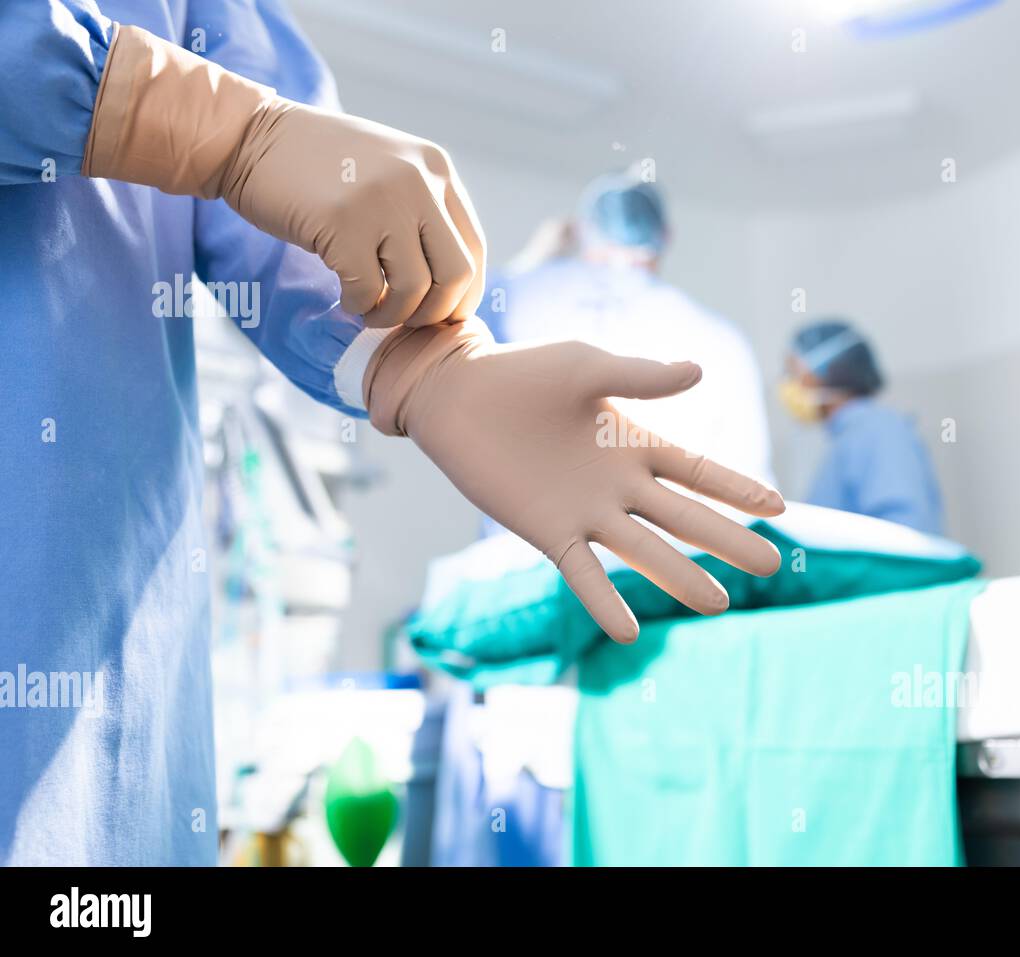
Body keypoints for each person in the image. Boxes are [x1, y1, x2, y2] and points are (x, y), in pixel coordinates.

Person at [0, 1, 782, 866]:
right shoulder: (721, 339)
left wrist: (429, 365)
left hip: (126, 630)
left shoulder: (540, 292)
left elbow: (273, 221)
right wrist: (197, 120)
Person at [485, 171, 773, 486]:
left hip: (531, 515)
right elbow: (748, 480)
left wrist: (533, 258)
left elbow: (455, 317)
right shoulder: (720, 340)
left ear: (582, 231)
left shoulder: (526, 297)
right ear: (666, 236)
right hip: (663, 516)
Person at [779, 320, 944, 535]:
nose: (788, 384)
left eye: (793, 373)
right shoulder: (849, 436)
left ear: (827, 371)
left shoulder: (880, 431)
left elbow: (906, 531)